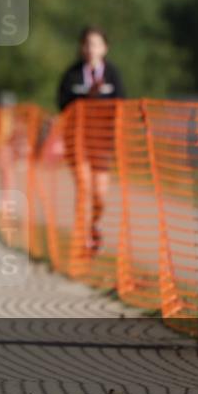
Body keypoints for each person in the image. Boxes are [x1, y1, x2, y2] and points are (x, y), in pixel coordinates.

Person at [57, 26, 125, 253]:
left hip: (102, 140)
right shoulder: (72, 74)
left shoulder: (112, 74)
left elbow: (121, 105)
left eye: (96, 44)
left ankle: (94, 225)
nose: (91, 49)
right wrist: (87, 96)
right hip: (77, 140)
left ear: (105, 48)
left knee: (100, 193)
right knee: (84, 187)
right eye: (87, 44)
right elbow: (63, 105)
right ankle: (81, 239)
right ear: (81, 47)